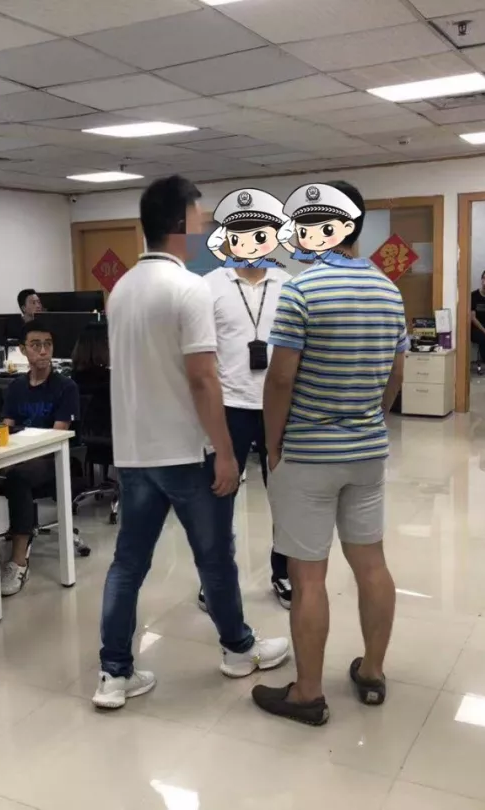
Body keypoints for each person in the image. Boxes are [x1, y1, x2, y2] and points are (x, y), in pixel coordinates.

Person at [94, 174, 289, 711]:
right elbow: (203, 379)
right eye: (200, 219)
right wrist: (225, 452)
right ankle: (238, 650)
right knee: (215, 558)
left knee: (127, 565)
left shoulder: (121, 289)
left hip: (135, 453)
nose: (205, 229)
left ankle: (114, 674)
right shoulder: (190, 288)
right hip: (186, 453)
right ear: (181, 223)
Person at [251, 180, 407, 727]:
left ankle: (308, 694)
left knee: (309, 576)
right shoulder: (388, 291)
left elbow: (280, 380)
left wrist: (273, 444)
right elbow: (395, 375)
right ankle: (372, 673)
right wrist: (371, 417)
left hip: (308, 455)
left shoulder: (301, 290)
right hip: (366, 453)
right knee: (372, 565)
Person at [200, 187, 292, 612]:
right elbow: (199, 357)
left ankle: (284, 572)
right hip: (228, 409)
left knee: (286, 498)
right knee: (219, 498)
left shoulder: (289, 286)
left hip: (280, 409)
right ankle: (215, 579)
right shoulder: (208, 287)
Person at [0, 319, 80, 596]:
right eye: (36, 345)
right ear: (23, 350)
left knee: (18, 478)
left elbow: (57, 435)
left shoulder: (65, 387)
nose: (43, 351)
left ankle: (18, 561)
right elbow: (7, 428)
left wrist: (17, 458)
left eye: (48, 344)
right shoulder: (16, 387)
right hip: (18, 455)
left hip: (53, 458)